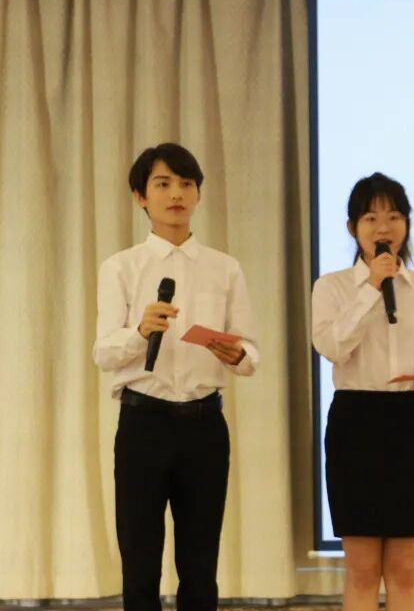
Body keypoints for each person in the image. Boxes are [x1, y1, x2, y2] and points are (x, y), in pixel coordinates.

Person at [92, 142, 259, 611]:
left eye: (186, 184)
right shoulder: (121, 267)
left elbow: (251, 353)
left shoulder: (225, 268)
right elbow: (103, 352)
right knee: (140, 563)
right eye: (162, 184)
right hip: (143, 424)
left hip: (205, 426)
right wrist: (139, 332)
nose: (176, 194)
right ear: (140, 197)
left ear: (199, 195)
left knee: (200, 564)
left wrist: (236, 353)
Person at [311, 172, 414, 611]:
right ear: (352, 228)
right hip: (355, 423)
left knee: (405, 570)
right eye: (371, 218)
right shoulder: (332, 287)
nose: (384, 227)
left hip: (410, 423)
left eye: (394, 217)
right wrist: (371, 287)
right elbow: (332, 347)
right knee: (361, 570)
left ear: (407, 225)